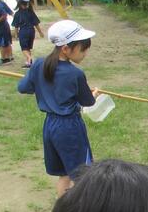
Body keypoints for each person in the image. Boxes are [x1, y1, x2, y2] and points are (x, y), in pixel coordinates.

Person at [17, 20, 97, 197]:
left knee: (64, 173)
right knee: (83, 175)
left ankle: (62, 207)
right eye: (83, 49)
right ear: (66, 49)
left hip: (50, 127)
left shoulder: (39, 64)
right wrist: (94, 94)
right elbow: (88, 101)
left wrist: (36, 81)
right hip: (70, 127)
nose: (85, 53)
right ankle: (84, 209)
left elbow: (23, 87)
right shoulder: (75, 74)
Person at [12, 0, 44, 68]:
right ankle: (29, 63)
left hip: (23, 32)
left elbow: (16, 26)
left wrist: (16, 34)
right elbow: (36, 23)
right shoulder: (31, 12)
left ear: (18, 3)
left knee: (24, 48)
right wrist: (40, 32)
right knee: (28, 48)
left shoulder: (17, 14)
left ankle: (29, 58)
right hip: (32, 31)